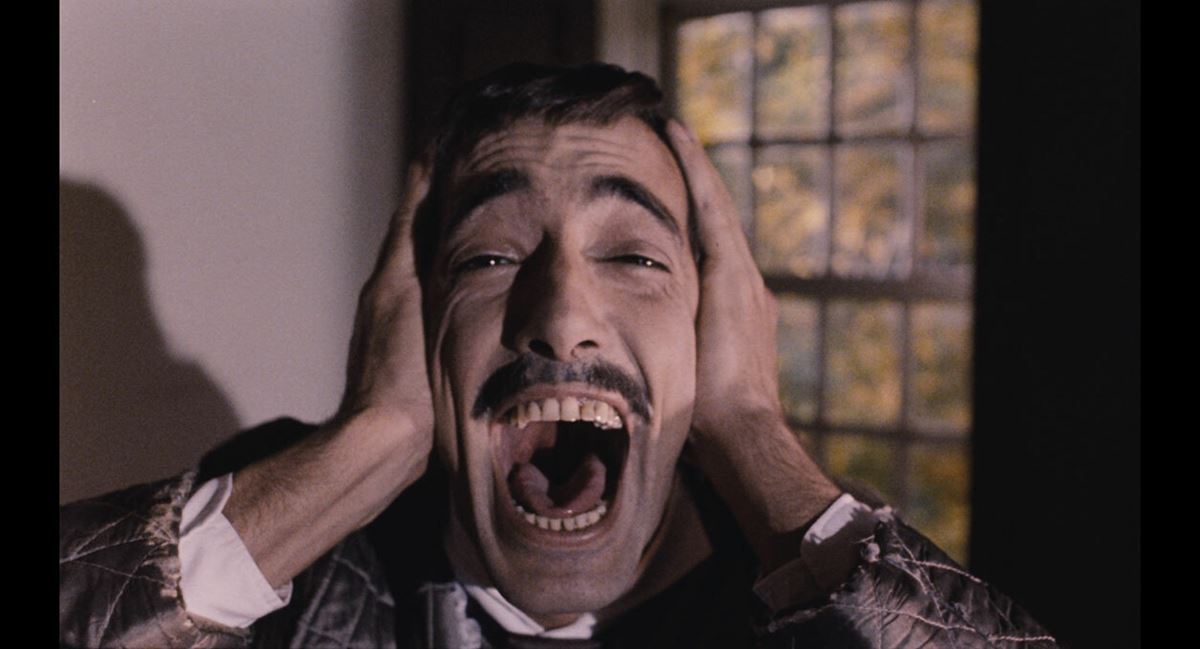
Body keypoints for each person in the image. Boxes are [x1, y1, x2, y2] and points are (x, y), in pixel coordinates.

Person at [60, 63, 1057, 648]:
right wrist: (377, 435)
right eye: (489, 256)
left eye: (635, 257)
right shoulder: (289, 524)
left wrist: (753, 431)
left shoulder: (818, 579)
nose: (563, 315)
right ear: (414, 310)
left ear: (716, 320)